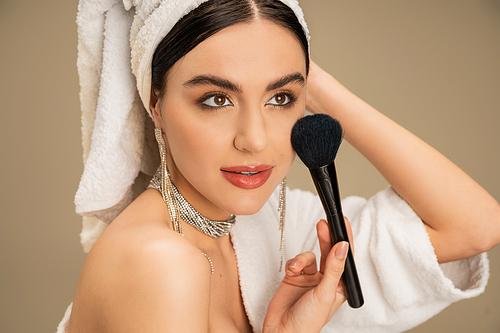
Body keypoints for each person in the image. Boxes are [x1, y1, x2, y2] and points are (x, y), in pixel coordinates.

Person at [58, 0, 500, 332]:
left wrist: (311, 80)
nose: (254, 139)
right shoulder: (158, 261)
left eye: (281, 98)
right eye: (216, 99)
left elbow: (473, 226)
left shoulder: (268, 229)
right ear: (155, 104)